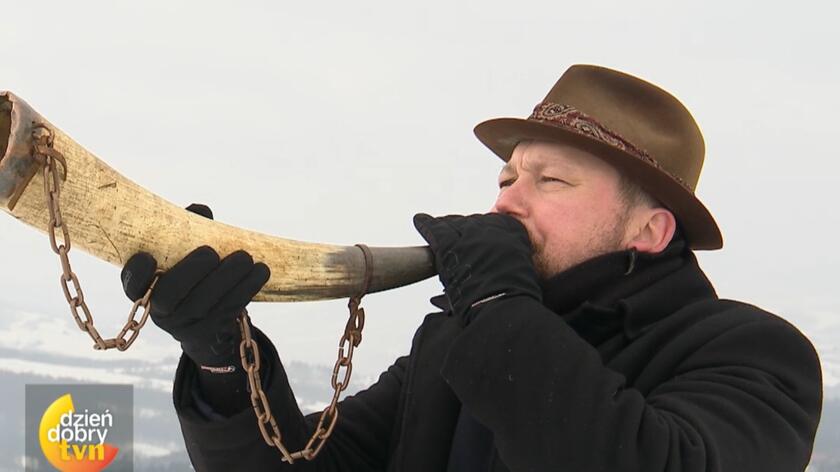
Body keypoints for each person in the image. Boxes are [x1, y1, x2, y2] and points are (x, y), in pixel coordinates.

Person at [120, 65, 823, 471]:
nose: (507, 199)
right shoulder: (455, 345)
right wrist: (223, 361)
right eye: (508, 178)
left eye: (550, 182)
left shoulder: (755, 356)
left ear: (649, 228)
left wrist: (495, 300)